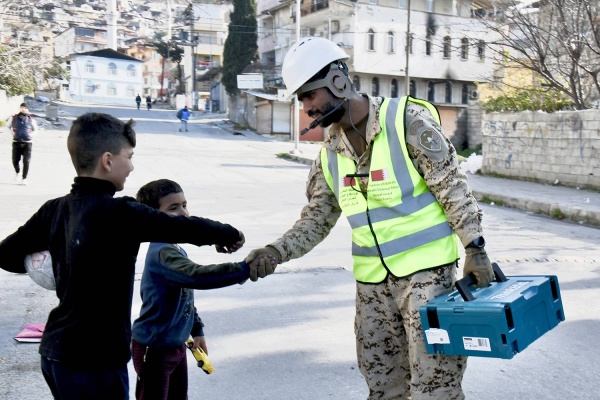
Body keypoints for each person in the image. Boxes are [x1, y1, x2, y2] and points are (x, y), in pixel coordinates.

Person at [245, 36, 494, 400]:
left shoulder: (405, 120)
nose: (306, 108)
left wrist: (475, 247)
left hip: (428, 280)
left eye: (308, 95)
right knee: (384, 389)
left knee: (434, 389)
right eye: (300, 100)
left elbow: (451, 185)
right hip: (373, 290)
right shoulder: (329, 154)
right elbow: (316, 219)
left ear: (338, 82)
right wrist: (275, 251)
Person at [0, 112, 247, 400]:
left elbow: (7, 256)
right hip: (96, 361)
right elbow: (183, 227)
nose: (130, 166)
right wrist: (230, 234)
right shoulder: (121, 213)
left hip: (55, 353)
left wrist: (58, 259)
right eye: (128, 156)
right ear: (107, 161)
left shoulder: (53, 210)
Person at [131, 178, 268, 400]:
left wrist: (197, 330)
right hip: (154, 347)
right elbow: (197, 277)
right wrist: (244, 269)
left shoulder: (173, 247)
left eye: (184, 205)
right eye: (173, 208)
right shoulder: (163, 253)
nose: (184, 213)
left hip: (175, 344)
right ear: (153, 217)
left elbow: (184, 297)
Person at [7, 103, 38, 185]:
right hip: (16, 142)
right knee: (15, 161)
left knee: (26, 161)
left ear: (28, 109)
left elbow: (36, 130)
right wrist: (12, 132)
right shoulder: (13, 118)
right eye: (22, 107)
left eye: (25, 108)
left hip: (27, 143)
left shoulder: (31, 119)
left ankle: (24, 178)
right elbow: (7, 126)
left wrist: (30, 135)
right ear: (19, 108)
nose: (23, 109)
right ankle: (18, 172)